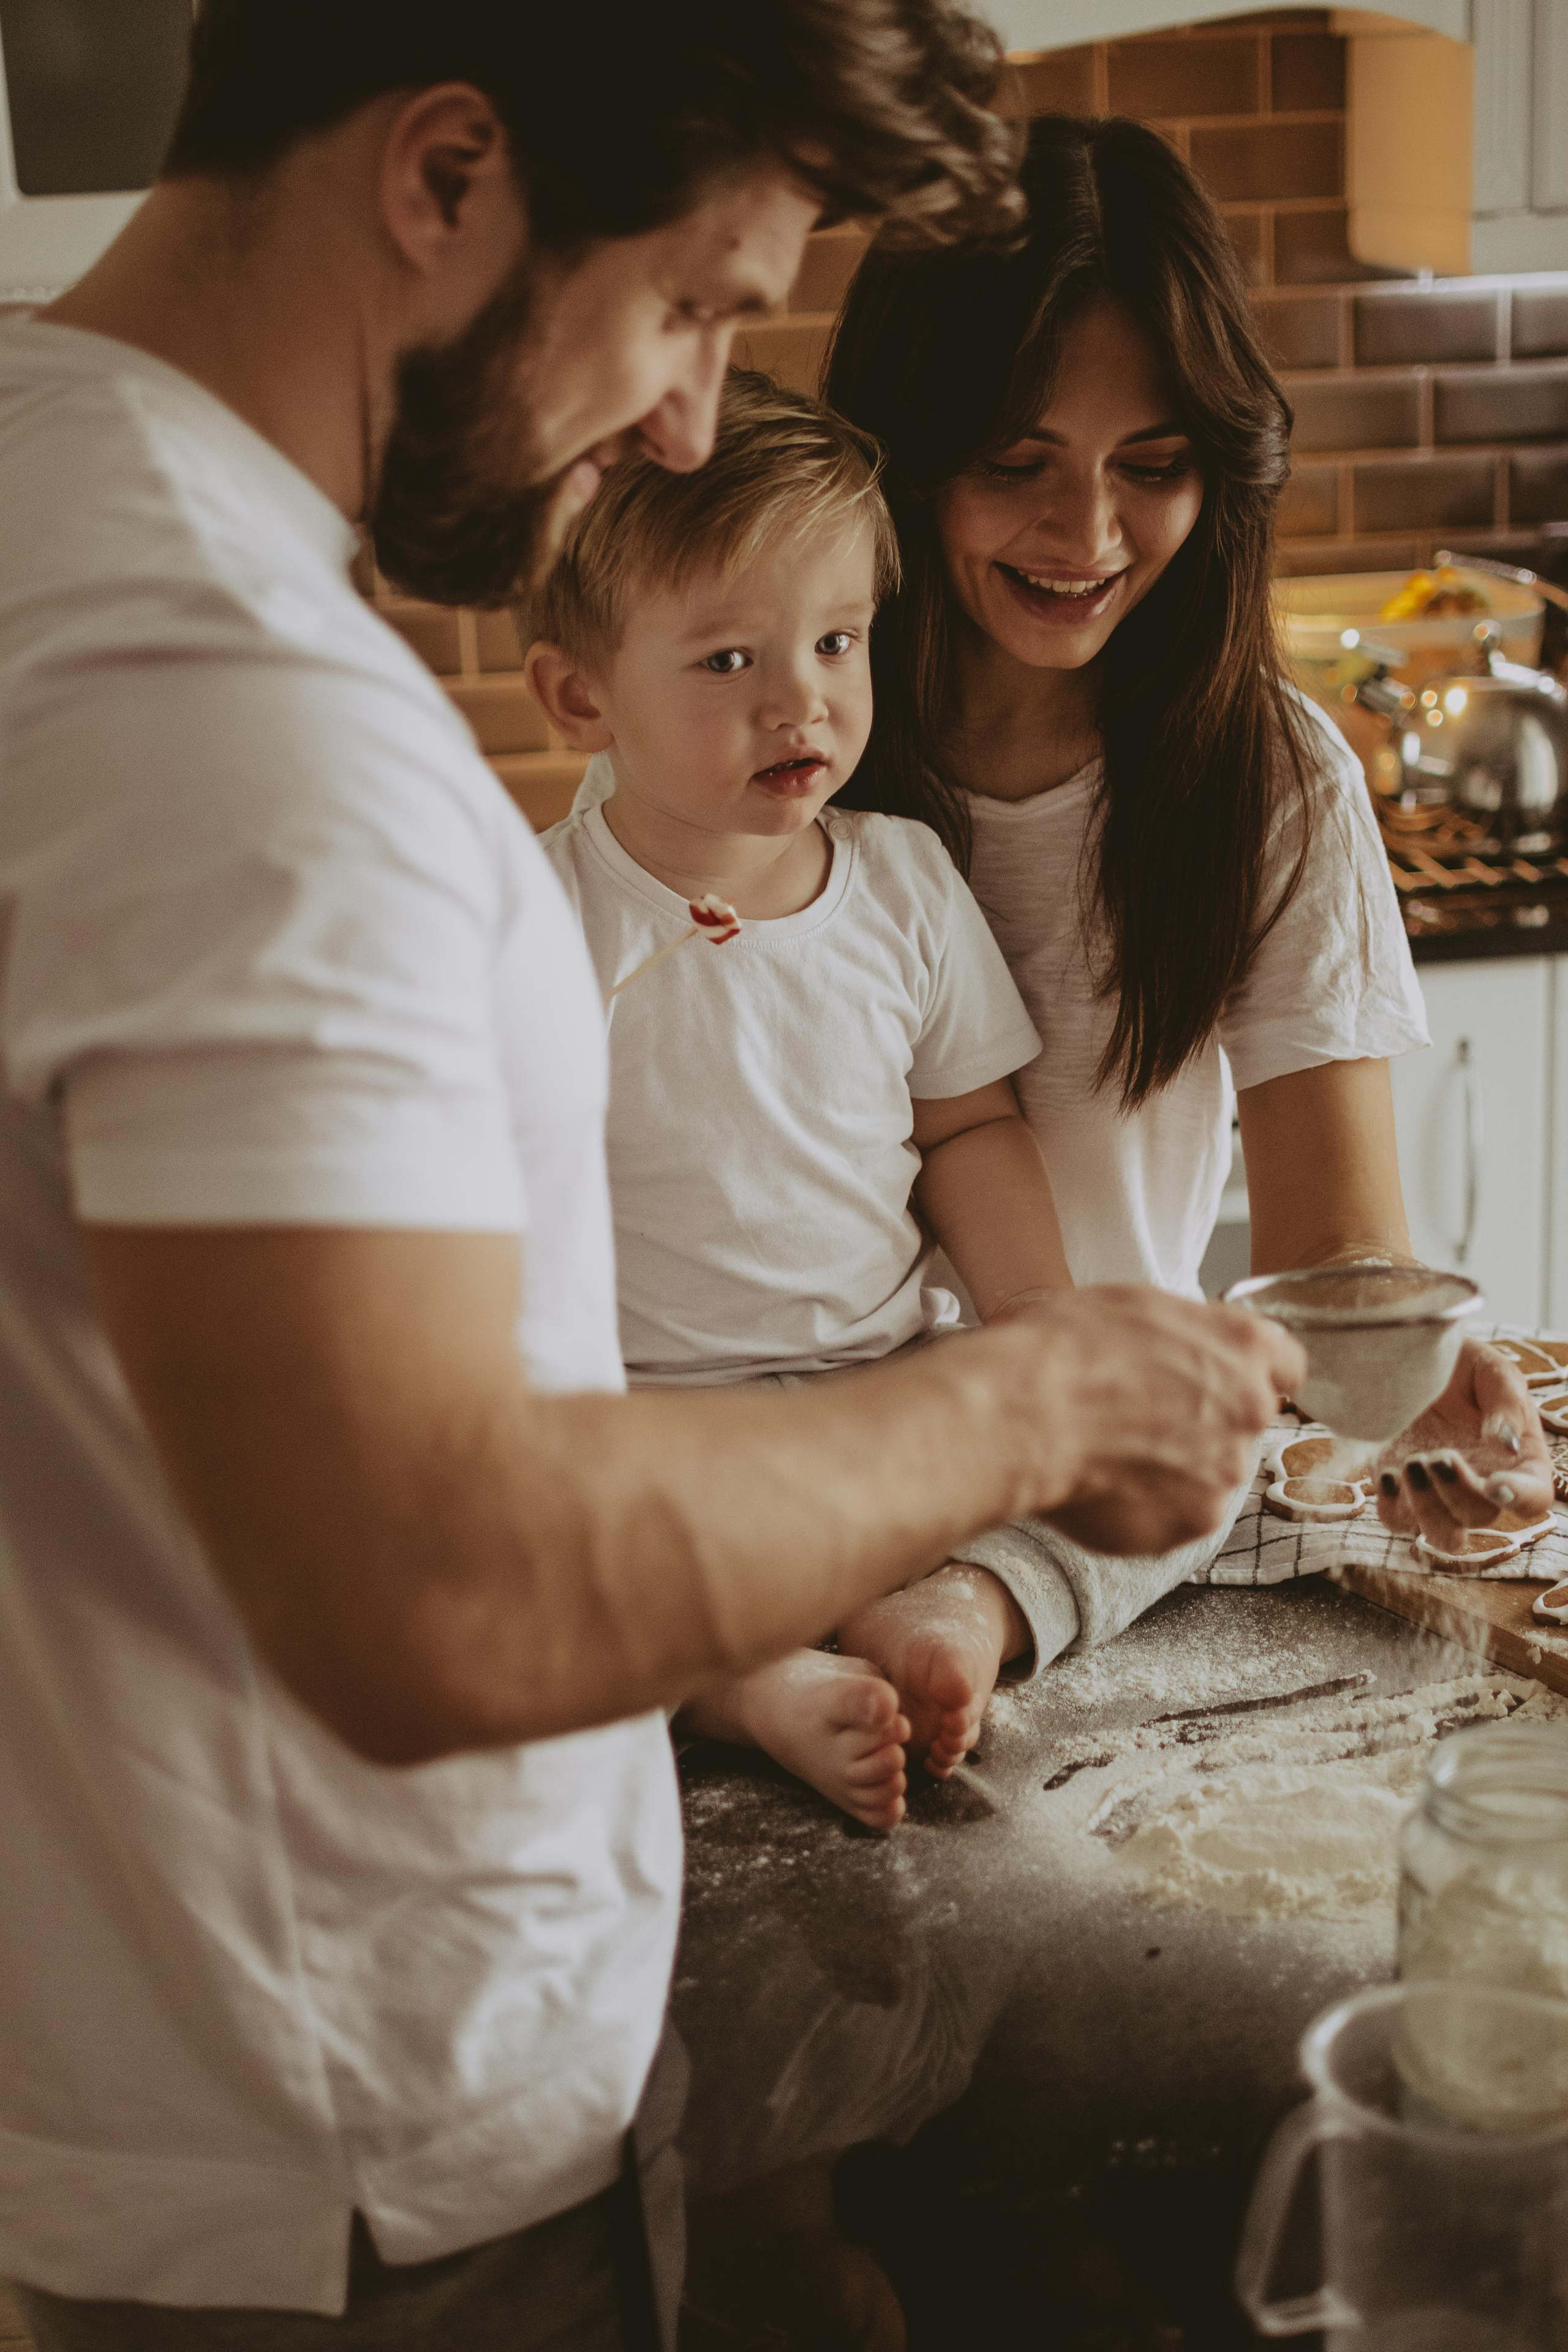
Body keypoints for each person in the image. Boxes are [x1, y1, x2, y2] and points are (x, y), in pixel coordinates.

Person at [0, 20, 1302, 2351]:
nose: (697, 413)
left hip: (204, 2098)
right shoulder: (235, 704)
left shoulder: (52, 499)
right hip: (370, 2177)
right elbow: (437, 1591)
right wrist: (1042, 1404)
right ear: (447, 173)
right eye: (696, 302)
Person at [824, 111, 1553, 1575]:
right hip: (788, 1494)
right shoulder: (766, 735)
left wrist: (1409, 1383)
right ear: (907, 452)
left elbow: (1333, 1254)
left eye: (1148, 464)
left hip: (1091, 1530)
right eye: (1018, 460)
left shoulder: (1266, 780)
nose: (1084, 531)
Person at [529, 371, 1085, 1829]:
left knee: (1203, 1473)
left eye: (837, 640)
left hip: (885, 1401)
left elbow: (967, 1125)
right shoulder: (530, 921)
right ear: (579, 692)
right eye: (726, 663)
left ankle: (958, 1609)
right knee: (512, 1549)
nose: (803, 699)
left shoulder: (900, 878)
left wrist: (1035, 1329)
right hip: (657, 1429)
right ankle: (740, 1682)